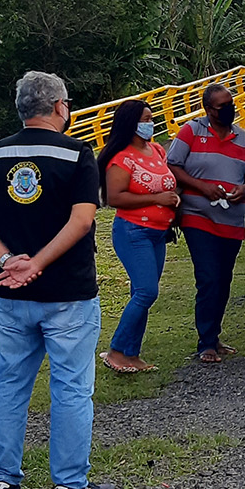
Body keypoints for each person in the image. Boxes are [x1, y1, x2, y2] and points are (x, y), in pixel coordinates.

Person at [0, 71, 114, 489]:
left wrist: (11, 262)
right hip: (68, 292)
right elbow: (82, 220)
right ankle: (70, 486)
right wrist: (39, 264)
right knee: (71, 387)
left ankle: (2, 483)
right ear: (60, 107)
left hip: (12, 294)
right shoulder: (77, 153)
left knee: (9, 384)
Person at [167, 84, 245, 364]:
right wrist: (202, 187)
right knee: (208, 277)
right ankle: (205, 342)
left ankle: (214, 335)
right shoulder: (191, 132)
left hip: (231, 220)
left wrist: (244, 188)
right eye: (223, 106)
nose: (230, 109)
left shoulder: (242, 138)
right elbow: (172, 165)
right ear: (209, 110)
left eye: (231, 103)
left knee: (223, 279)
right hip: (198, 216)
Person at [96, 99, 180, 374]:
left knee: (140, 292)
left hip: (158, 233)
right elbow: (115, 197)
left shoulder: (156, 149)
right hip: (134, 232)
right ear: (131, 122)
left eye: (151, 118)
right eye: (145, 118)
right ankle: (117, 350)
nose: (150, 123)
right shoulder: (121, 158)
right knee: (146, 292)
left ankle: (132, 353)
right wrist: (157, 198)